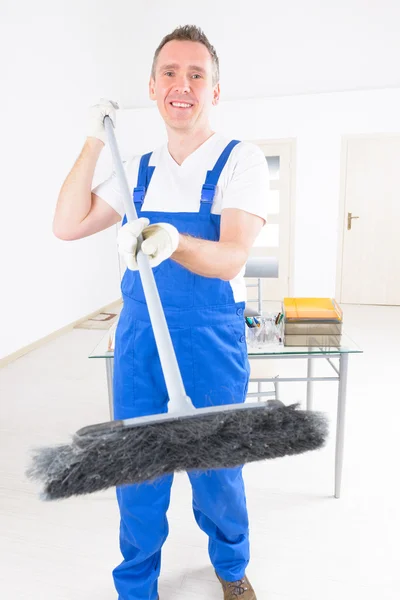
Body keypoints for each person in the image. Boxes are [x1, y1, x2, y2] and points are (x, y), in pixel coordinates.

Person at [54, 24, 269, 600]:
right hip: (141, 343)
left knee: (218, 470)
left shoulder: (239, 161)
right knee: (137, 473)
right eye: (170, 73)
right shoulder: (138, 168)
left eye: (197, 74)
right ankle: (137, 586)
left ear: (215, 91)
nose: (183, 85)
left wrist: (175, 241)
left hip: (210, 340)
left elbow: (231, 257)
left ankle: (230, 569)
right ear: (152, 87)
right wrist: (93, 141)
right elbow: (67, 224)